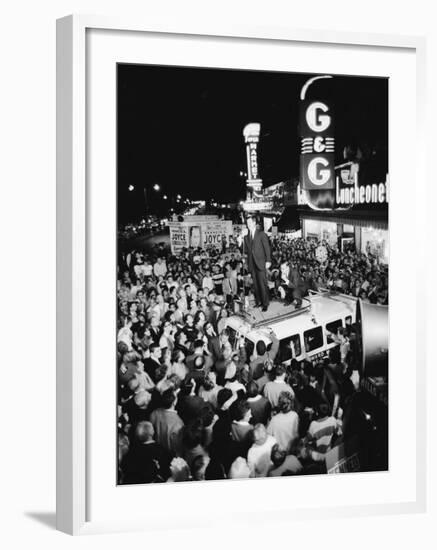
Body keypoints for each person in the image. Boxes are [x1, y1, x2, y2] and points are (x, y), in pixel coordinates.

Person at [242, 215, 271, 311]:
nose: (248, 225)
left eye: (249, 223)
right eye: (247, 223)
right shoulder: (247, 237)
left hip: (261, 262)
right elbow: (245, 250)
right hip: (252, 264)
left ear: (254, 223)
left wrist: (268, 260)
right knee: (256, 285)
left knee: (262, 284)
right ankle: (258, 301)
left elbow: (267, 248)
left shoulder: (261, 234)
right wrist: (241, 238)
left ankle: (265, 303)